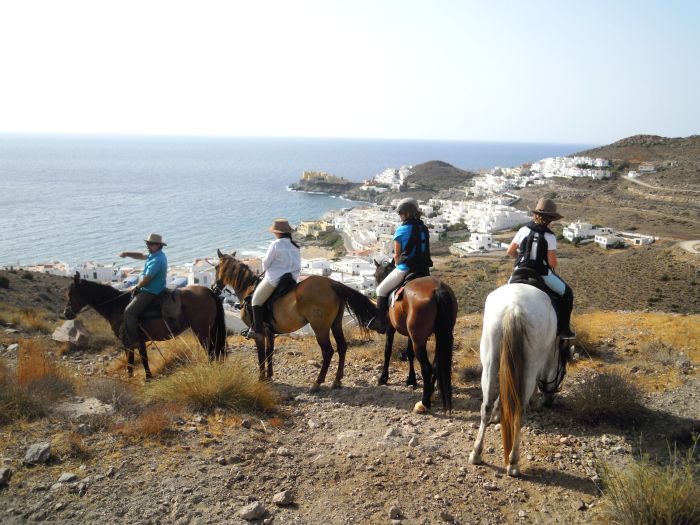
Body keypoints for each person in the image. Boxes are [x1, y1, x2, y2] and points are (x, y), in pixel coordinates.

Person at [506, 198, 576, 339]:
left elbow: (510, 251)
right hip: (541, 273)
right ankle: (564, 331)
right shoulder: (550, 236)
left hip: (519, 270)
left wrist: (521, 259)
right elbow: (552, 263)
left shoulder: (523, 230)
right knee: (567, 294)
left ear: (535, 214)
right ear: (550, 219)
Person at [369, 198, 432, 334]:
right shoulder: (424, 228)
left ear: (407, 213)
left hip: (406, 269)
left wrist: (397, 264)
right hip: (424, 269)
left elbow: (397, 256)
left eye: (400, 213)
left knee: (380, 290)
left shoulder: (402, 230)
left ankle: (380, 323)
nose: (399, 216)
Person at [248, 219, 301, 337]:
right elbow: (298, 265)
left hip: (275, 279)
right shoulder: (295, 246)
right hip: (292, 279)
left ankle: (257, 330)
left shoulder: (275, 244)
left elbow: (265, 264)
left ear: (277, 233)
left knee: (255, 300)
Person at [119, 233, 168, 348]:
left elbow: (148, 278)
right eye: (147, 243)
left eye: (151, 244)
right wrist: (127, 254)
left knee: (129, 312)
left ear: (158, 245)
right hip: (152, 287)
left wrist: (137, 287)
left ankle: (134, 341)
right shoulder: (155, 255)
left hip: (151, 291)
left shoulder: (157, 260)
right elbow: (141, 255)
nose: (148, 245)